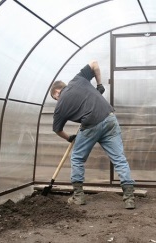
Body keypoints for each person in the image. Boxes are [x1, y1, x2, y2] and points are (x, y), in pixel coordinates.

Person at [50, 60, 136, 209]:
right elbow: (94, 63)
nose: (57, 100)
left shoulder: (59, 107)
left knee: (77, 158)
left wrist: (69, 137)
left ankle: (78, 196)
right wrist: (99, 85)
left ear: (57, 92)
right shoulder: (78, 79)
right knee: (119, 158)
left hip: (91, 125)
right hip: (110, 119)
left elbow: (57, 129)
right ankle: (129, 198)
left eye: (55, 98)